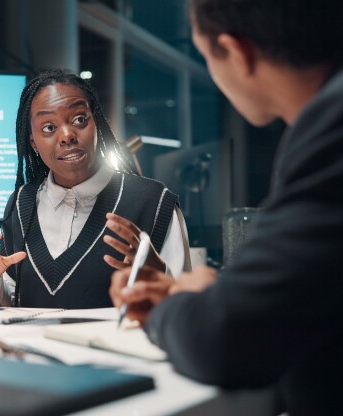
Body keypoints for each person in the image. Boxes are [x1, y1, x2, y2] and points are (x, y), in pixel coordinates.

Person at [109, 0, 343, 414]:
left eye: (205, 56)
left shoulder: (329, 139)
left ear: (238, 54)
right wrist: (218, 296)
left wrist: (173, 309)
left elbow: (224, 340)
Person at [0, 69, 191, 308]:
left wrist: (161, 277)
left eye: (79, 120)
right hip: (32, 346)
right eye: (48, 128)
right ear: (33, 141)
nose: (67, 136)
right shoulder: (21, 204)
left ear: (95, 122)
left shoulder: (153, 202)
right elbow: (11, 307)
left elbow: (188, 310)